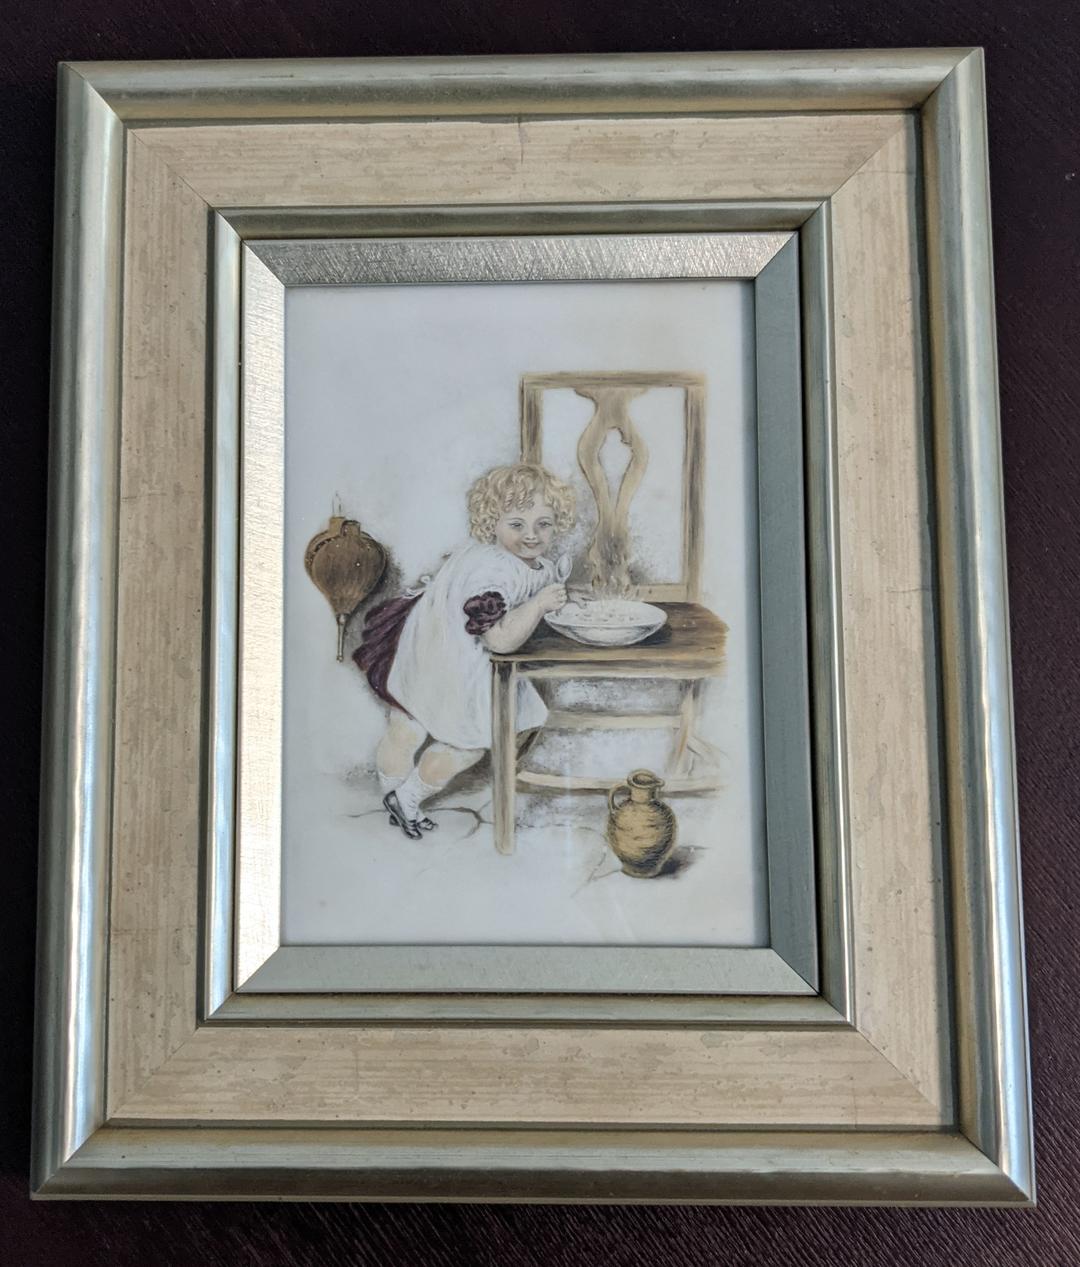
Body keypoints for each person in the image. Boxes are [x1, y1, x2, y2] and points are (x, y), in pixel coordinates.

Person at [354, 463, 575, 839]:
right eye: (517, 524)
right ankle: (401, 799)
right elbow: (499, 640)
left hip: (436, 651)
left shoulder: (526, 562)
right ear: (493, 521)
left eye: (544, 524)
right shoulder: (494, 573)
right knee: (460, 742)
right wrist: (539, 604)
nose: (531, 535)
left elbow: (535, 587)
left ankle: (398, 802)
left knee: (408, 724)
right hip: (449, 659)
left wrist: (550, 600)